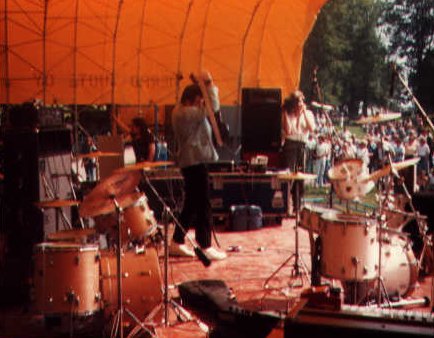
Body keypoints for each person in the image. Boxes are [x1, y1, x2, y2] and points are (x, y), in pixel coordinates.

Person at [169, 83, 227, 261]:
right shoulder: (185, 113)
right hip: (194, 161)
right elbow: (213, 108)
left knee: (192, 204)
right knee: (203, 204)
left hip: (194, 160)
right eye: (198, 101)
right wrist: (210, 86)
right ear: (189, 100)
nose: (201, 104)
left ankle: (177, 241)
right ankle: (205, 244)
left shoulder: (185, 112)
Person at [281, 90, 316, 211]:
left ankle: (297, 205)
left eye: (301, 102)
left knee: (301, 176)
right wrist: (285, 112)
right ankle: (286, 205)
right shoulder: (288, 114)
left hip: (303, 145)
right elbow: (288, 130)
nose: (300, 105)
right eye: (297, 102)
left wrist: (304, 113)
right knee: (289, 175)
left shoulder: (309, 113)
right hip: (290, 144)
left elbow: (311, 128)